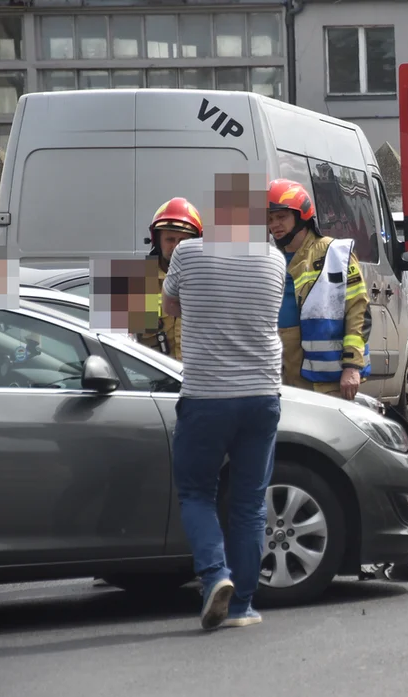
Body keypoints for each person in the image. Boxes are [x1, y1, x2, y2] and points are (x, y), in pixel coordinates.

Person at [161, 179, 288, 630]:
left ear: (214, 218)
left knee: (197, 492)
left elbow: (170, 307)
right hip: (262, 395)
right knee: (251, 504)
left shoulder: (187, 254)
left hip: (208, 395)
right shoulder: (275, 259)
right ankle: (243, 607)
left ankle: (215, 575)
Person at [266, 179, 371, 400]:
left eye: (281, 217)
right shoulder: (267, 259)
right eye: (270, 219)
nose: (274, 224)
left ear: (302, 215)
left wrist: (352, 366)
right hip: (276, 373)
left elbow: (358, 312)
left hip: (324, 381)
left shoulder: (334, 254)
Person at [138, 198, 203, 360]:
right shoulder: (132, 279)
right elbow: (106, 347)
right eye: (170, 239)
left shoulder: (209, 282)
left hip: (199, 380)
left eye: (183, 241)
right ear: (156, 240)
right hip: (151, 381)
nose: (176, 247)